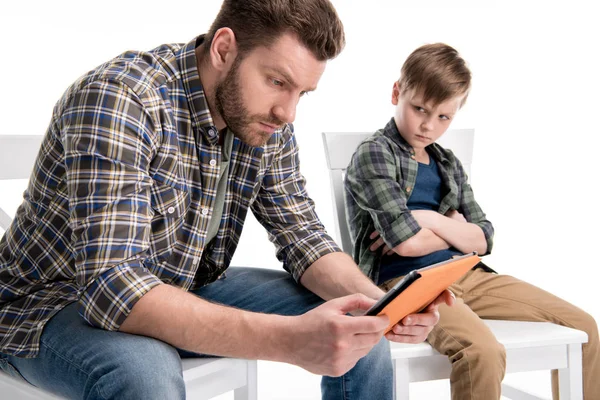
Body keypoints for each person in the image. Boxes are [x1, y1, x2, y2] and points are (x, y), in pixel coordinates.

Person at [0, 1, 455, 399]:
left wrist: (384, 306)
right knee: (145, 372)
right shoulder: (120, 100)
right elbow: (112, 288)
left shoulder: (267, 122)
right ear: (224, 49)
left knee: (360, 324)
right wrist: (291, 340)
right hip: (49, 305)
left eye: (302, 93)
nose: (288, 111)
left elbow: (304, 238)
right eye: (277, 81)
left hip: (180, 281)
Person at [344, 42, 600, 399]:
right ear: (396, 93)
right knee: (483, 351)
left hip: (466, 273)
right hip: (409, 282)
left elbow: (484, 239)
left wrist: (426, 217)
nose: (428, 126)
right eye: (420, 109)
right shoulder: (374, 154)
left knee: (584, 326)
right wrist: (453, 228)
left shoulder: (448, 163)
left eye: (444, 117)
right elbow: (407, 243)